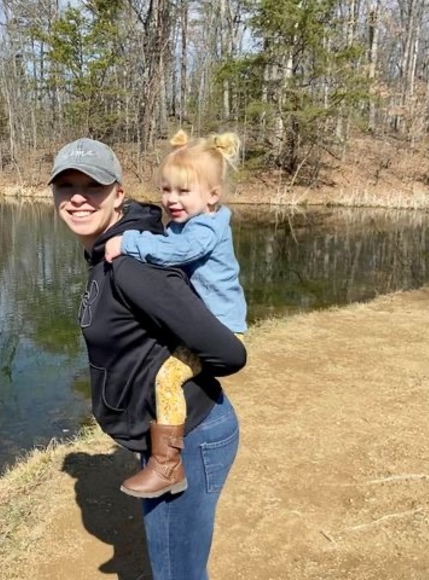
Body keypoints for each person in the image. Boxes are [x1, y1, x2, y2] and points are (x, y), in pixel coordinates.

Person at [49, 137, 247, 580]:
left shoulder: (131, 264)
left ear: (118, 193)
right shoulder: (111, 248)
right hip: (164, 437)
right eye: (66, 186)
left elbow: (229, 353)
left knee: (177, 573)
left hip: (191, 438)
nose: (78, 198)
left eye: (93, 186)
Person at [104, 130, 247, 499]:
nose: (171, 199)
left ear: (212, 195)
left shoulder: (204, 228)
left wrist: (127, 242)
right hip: (208, 323)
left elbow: (177, 252)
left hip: (221, 329)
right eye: (166, 190)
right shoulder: (194, 222)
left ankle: (167, 465)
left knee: (167, 379)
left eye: (184, 191)